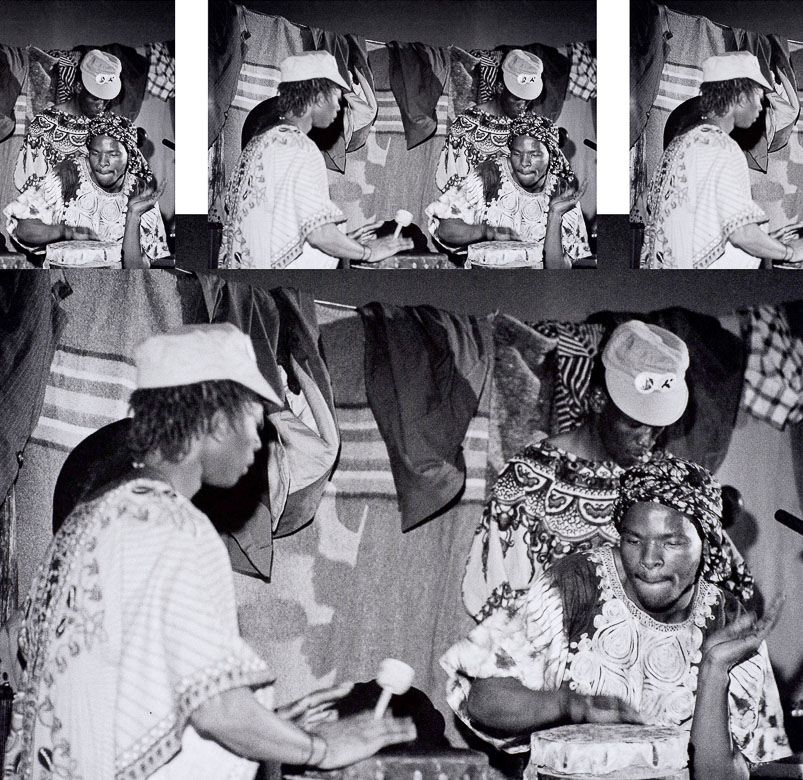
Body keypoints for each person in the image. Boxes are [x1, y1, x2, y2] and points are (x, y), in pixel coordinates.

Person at [1, 324, 415, 779]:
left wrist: (272, 731)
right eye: (256, 425)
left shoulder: (86, 525)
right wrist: (319, 748)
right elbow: (216, 709)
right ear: (217, 423)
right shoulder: (179, 528)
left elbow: (123, 700)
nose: (260, 444)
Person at [441, 456, 790, 780]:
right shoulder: (578, 583)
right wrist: (570, 704)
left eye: (672, 542)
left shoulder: (728, 621)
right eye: (634, 539)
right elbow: (484, 699)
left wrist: (715, 669)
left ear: (707, 543)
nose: (648, 559)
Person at [462, 320, 752, 620]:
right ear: (599, 399)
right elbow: (491, 599)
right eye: (636, 424)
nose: (648, 440)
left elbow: (731, 586)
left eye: (658, 428)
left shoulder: (668, 481)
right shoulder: (528, 479)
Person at [219, 51, 412, 269]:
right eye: (337, 99)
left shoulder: (259, 144)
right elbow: (320, 234)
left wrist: (347, 243)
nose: (340, 108)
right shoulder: (301, 147)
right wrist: (367, 252)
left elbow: (273, 227)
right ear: (319, 99)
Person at [641, 51, 803, 269]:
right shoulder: (722, 147)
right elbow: (742, 234)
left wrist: (768, 243)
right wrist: (790, 252)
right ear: (741, 97)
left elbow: (698, 229)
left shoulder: (679, 146)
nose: (760, 108)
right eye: (759, 98)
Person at [4, 112, 168, 268]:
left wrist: (134, 215)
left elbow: (138, 268)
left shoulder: (139, 191)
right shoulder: (69, 174)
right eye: (95, 153)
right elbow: (23, 228)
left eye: (113, 154)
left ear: (130, 155)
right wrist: (66, 231)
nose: (102, 162)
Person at [426, 114, 590, 268]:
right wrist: (488, 232)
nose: (524, 163)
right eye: (517, 153)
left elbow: (559, 271)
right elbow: (444, 227)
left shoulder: (561, 192)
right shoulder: (491, 175)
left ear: (552, 155)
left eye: (534, 154)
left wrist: (555, 214)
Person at [14, 50, 122, 195]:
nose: (102, 105)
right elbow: (29, 183)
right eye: (96, 98)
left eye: (107, 99)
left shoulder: (108, 125)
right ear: (78, 87)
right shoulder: (45, 125)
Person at [436, 49, 544, 193]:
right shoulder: (467, 126)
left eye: (529, 100)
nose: (524, 106)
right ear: (500, 87)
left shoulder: (531, 126)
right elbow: (450, 183)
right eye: (517, 98)